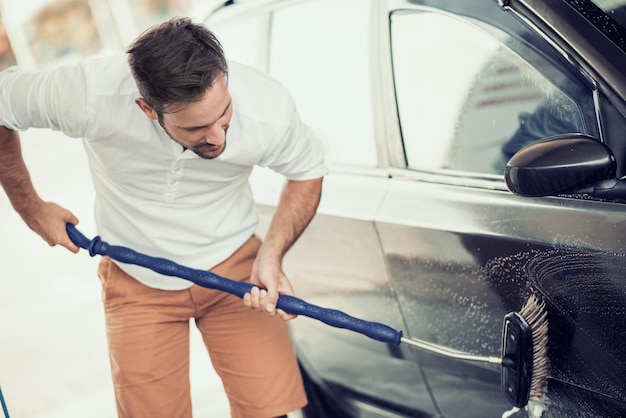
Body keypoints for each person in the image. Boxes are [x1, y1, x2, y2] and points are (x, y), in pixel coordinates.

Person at [0, 17, 327, 418]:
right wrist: (30, 208)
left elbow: (307, 170)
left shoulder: (267, 106)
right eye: (196, 127)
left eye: (224, 115)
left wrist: (272, 255)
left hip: (237, 270)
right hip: (136, 279)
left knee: (270, 412)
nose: (219, 137)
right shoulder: (88, 93)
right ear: (147, 108)